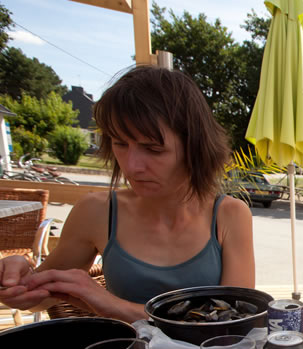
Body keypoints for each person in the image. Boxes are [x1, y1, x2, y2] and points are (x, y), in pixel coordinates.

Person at [0, 66, 255, 323]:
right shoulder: (96, 211)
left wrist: (111, 305)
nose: (132, 166)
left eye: (153, 149)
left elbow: (235, 322)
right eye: (120, 143)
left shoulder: (229, 215)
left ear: (195, 148)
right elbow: (38, 298)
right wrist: (14, 281)